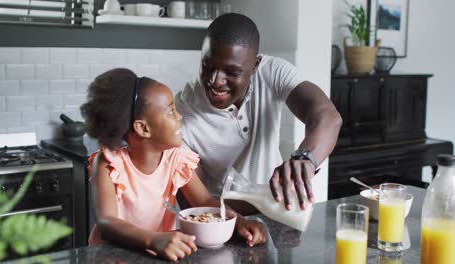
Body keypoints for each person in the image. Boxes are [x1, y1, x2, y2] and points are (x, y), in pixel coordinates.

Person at [80, 68, 266, 262]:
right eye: (171, 111)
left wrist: (240, 223)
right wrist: (152, 240)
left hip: (154, 254)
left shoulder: (175, 159)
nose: (180, 117)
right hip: (111, 257)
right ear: (143, 128)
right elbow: (107, 222)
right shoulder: (109, 163)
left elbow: (204, 202)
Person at [175, 13, 342, 212]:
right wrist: (260, 205)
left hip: (281, 210)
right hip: (225, 222)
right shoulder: (180, 114)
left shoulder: (271, 72)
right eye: (207, 66)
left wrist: (305, 159)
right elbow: (195, 203)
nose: (215, 81)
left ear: (255, 66)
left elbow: (328, 116)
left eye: (231, 72)